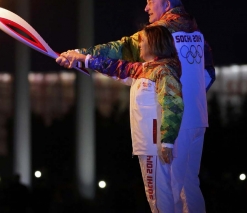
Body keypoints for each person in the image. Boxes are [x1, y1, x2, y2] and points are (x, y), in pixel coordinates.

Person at [57, 0, 215, 213]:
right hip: (196, 120)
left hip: (168, 123)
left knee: (165, 190)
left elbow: (119, 51)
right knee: (188, 187)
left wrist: (80, 55)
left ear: (167, 4)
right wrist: (190, 99)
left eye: (151, 1)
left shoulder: (158, 35)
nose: (146, 7)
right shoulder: (198, 36)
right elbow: (210, 74)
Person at [62, 25, 183, 212]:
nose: (139, 44)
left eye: (143, 41)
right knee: (159, 197)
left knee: (159, 197)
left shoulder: (163, 71)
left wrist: (166, 142)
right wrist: (81, 59)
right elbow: (115, 67)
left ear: (155, 43)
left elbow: (173, 105)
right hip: (149, 146)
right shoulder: (144, 69)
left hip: (155, 146)